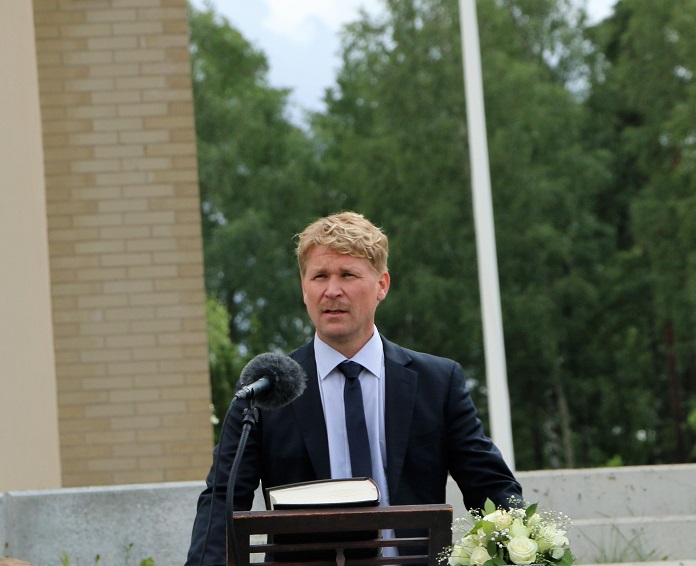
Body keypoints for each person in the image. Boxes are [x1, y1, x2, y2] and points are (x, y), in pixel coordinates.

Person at [185, 211, 522, 565]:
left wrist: (523, 546)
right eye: (320, 276)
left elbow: (491, 489)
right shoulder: (265, 387)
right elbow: (221, 498)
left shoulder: (437, 382)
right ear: (304, 288)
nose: (332, 290)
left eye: (347, 274)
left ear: (382, 285)